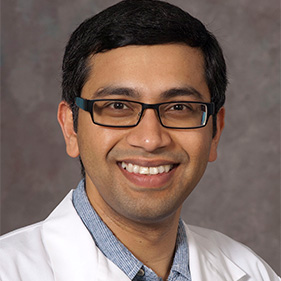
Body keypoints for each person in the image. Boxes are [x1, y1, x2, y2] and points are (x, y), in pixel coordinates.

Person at [0, 0, 279, 280]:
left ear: (215, 132)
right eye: (118, 106)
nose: (150, 140)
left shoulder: (252, 272)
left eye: (179, 108)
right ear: (71, 128)